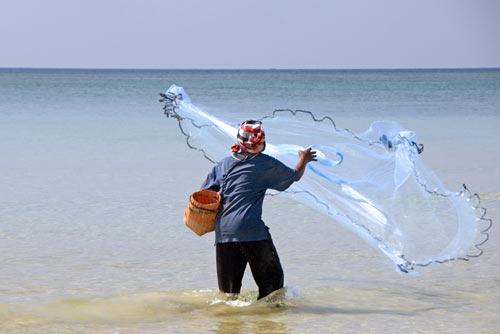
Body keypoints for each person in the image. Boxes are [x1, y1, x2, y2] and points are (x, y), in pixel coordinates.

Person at [201, 120, 316, 300]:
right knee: (273, 290)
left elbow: (204, 194)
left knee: (228, 296)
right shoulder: (264, 163)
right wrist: (304, 159)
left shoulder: (223, 164)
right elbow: (295, 176)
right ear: (260, 143)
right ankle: (267, 324)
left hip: (223, 232)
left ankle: (228, 325)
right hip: (251, 230)